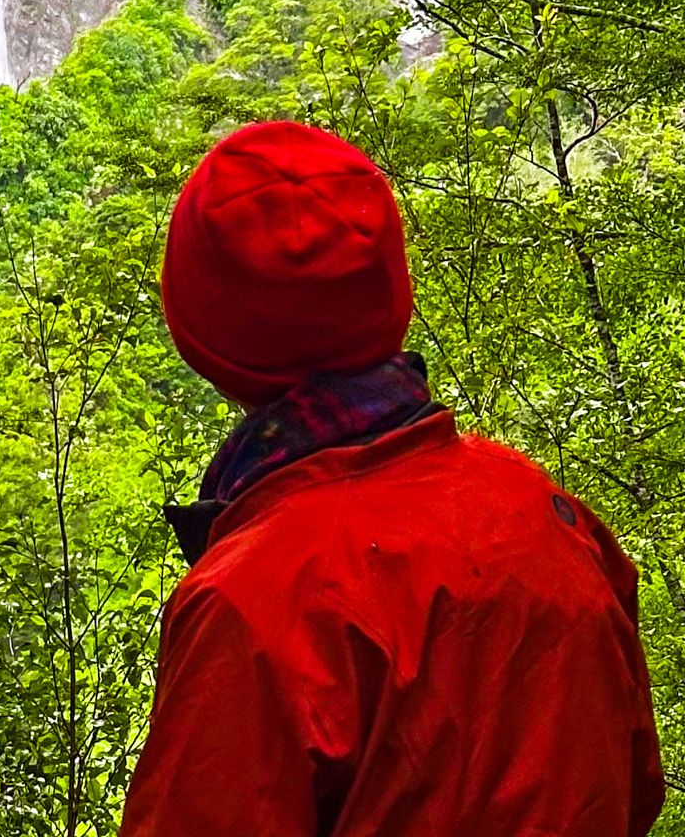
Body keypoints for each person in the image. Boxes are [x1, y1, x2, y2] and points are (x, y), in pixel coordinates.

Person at [121, 118, 664, 837]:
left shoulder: (251, 604)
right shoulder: (545, 510)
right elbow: (634, 785)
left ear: (201, 337)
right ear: (390, 294)